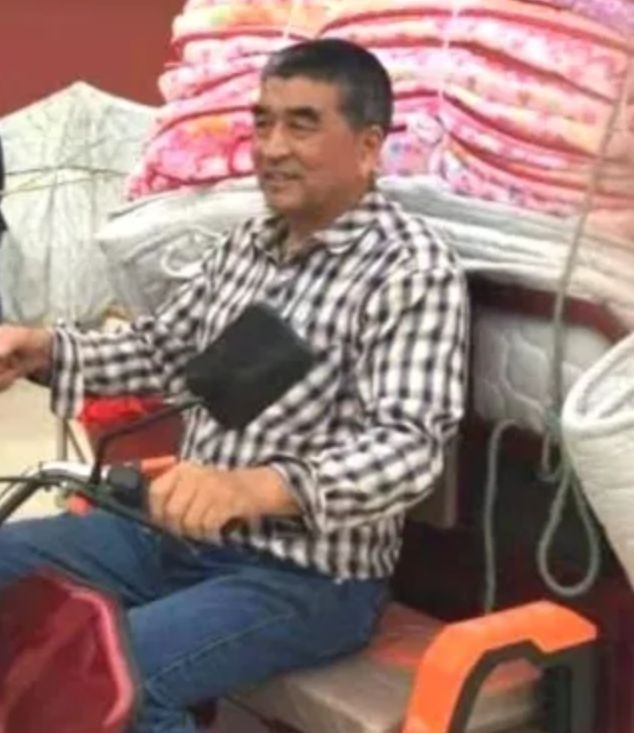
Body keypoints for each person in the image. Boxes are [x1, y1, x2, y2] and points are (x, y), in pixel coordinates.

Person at [0, 39, 467, 732]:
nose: (272, 148)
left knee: (106, 679)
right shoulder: (249, 245)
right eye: (263, 123)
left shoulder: (410, 270)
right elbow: (162, 350)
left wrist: (258, 487)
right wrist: (41, 349)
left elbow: (408, 447)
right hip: (169, 539)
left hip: (304, 575)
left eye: (302, 125)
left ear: (369, 146)